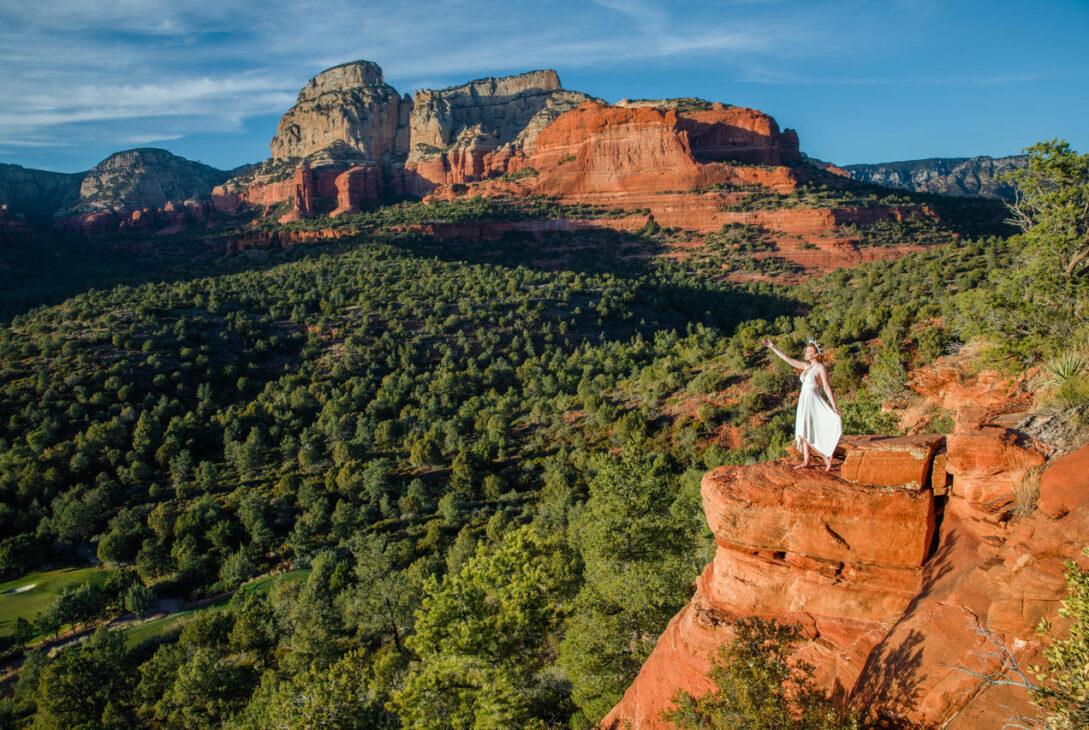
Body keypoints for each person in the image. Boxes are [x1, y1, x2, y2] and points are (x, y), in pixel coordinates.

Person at [761, 337, 841, 471]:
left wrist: (834, 406)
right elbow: (788, 360)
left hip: (814, 400)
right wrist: (773, 347)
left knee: (807, 432)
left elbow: (827, 388)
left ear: (816, 354)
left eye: (809, 351)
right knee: (802, 431)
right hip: (804, 401)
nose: (806, 353)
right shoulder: (806, 366)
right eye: (807, 350)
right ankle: (806, 461)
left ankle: (825, 457)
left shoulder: (820, 367)